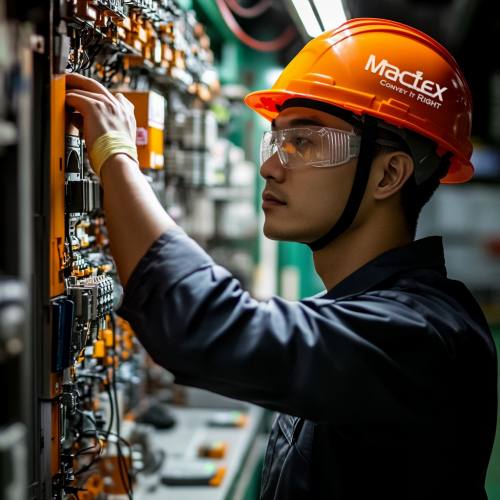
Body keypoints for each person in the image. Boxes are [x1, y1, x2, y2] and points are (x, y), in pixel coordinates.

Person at [65, 18, 497, 500]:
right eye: (277, 141)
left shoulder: (421, 337)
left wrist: (116, 154)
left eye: (305, 143)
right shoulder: (365, 313)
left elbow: (202, 326)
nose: (270, 167)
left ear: (387, 175)